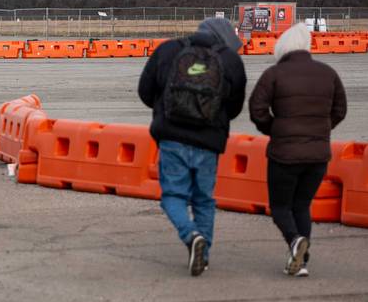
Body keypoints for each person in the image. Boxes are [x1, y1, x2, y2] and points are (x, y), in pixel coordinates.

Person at [137, 17, 247, 276]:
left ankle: (190, 235)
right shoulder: (231, 61)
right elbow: (234, 108)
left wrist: (164, 108)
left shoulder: (168, 50)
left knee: (173, 196)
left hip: (172, 138)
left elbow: (144, 90)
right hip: (209, 143)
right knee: (204, 200)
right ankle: (203, 254)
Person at [248, 24, 347, 277]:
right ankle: (301, 262)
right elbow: (340, 110)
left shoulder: (274, 74)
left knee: (280, 207)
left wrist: (274, 129)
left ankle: (294, 242)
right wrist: (320, 131)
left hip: (284, 155)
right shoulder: (328, 73)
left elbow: (256, 109)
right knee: (302, 206)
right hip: (318, 155)